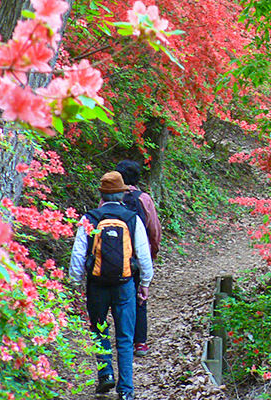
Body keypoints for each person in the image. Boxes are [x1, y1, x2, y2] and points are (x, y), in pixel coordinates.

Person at [70, 171, 154, 400]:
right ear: (122, 194)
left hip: (96, 285)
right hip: (124, 284)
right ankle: (126, 390)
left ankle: (106, 372)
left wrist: (76, 282)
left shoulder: (90, 218)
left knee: (99, 330)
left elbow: (78, 254)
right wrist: (145, 282)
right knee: (125, 337)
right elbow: (143, 255)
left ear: (101, 194)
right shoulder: (131, 218)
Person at [115, 160, 161, 357]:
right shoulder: (144, 199)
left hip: (114, 257)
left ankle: (120, 339)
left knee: (117, 297)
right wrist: (152, 254)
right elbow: (154, 230)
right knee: (140, 298)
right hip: (137, 256)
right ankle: (140, 342)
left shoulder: (108, 199)